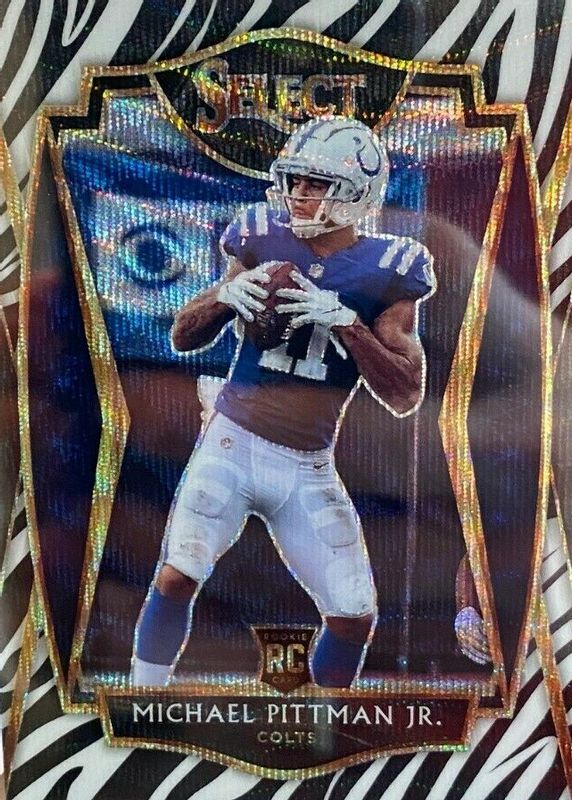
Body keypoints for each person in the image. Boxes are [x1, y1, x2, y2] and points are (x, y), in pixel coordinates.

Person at [131, 116, 436, 688]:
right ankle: (142, 695)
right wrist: (225, 296)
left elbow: (405, 394)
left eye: (316, 183)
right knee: (179, 572)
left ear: (357, 193)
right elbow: (182, 336)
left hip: (307, 465)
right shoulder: (260, 234)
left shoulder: (391, 268)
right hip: (232, 441)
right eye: (294, 180)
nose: (298, 193)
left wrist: (348, 324)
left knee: (354, 615)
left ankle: (327, 720)